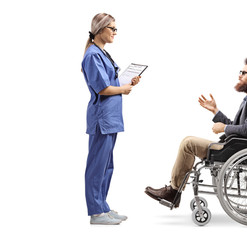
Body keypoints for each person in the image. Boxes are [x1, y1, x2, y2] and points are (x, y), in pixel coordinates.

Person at [145, 57, 247, 208]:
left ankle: (173, 192)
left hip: (239, 149)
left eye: (244, 73)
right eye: (241, 72)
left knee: (188, 143)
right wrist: (215, 111)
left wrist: (223, 128)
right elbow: (237, 126)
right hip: (236, 145)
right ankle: (174, 191)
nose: (240, 75)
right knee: (188, 140)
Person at [82, 13, 141, 225]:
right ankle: (96, 212)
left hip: (112, 117)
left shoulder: (103, 53)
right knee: (97, 166)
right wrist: (123, 89)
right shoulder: (92, 55)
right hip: (102, 118)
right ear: (100, 29)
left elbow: (110, 81)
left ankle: (103, 207)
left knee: (107, 165)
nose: (115, 32)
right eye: (112, 28)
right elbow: (102, 88)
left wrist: (127, 82)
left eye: (116, 29)